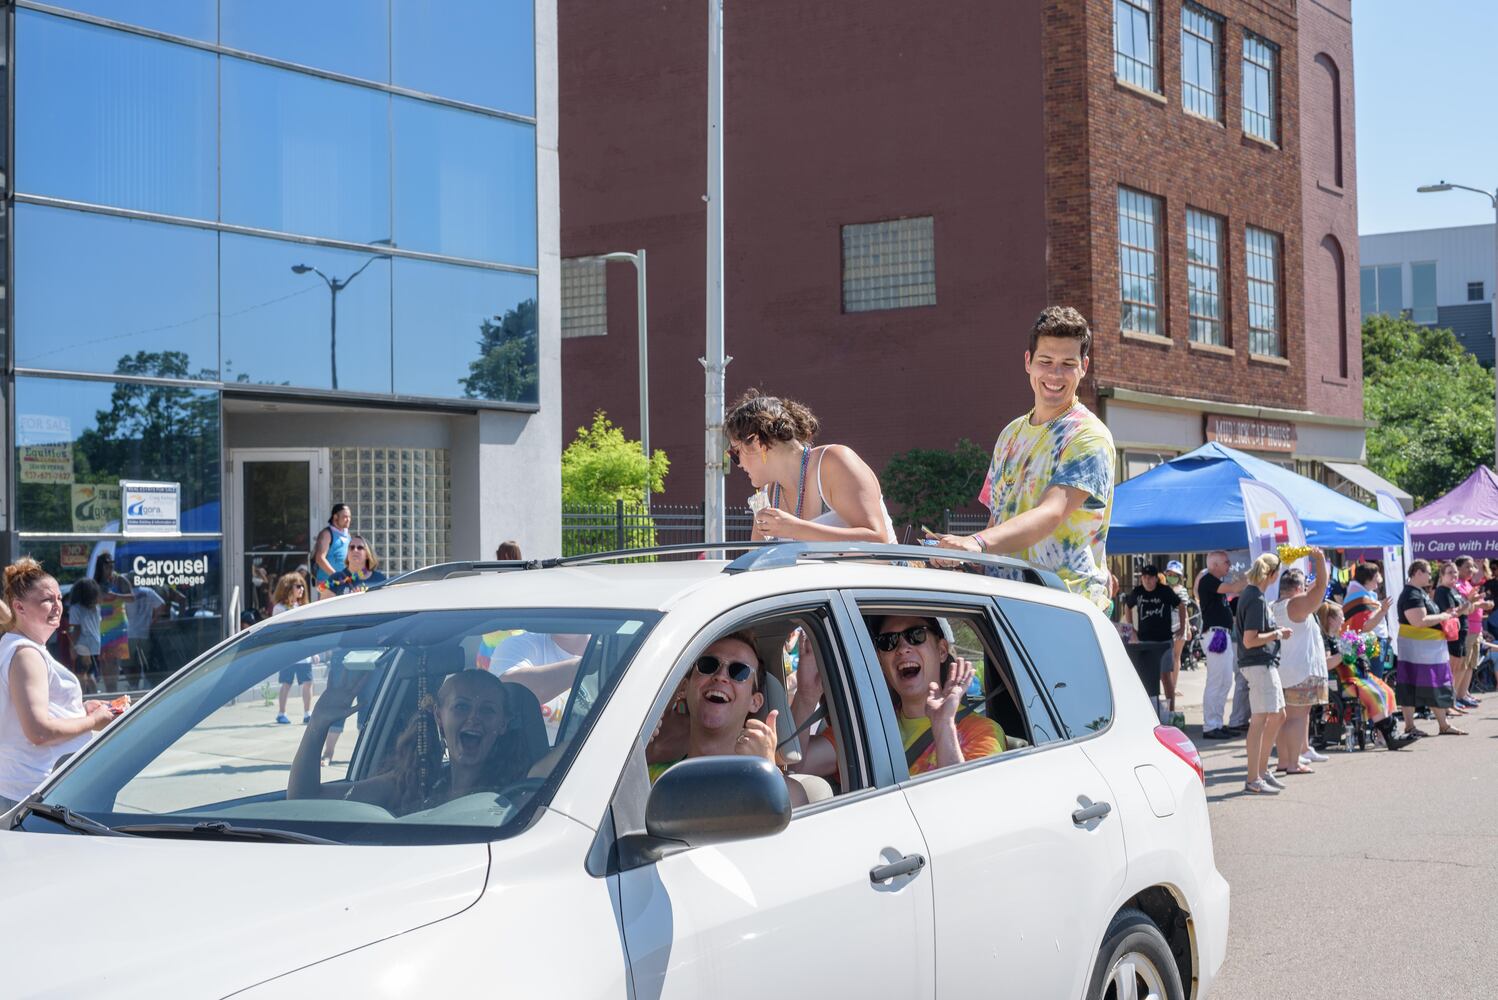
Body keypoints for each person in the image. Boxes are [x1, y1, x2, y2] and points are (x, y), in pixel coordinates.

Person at [929, 306, 1114, 609]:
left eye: (1068, 363)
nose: (1055, 374)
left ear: (1084, 366)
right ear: (1028, 362)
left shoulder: (1088, 435)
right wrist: (964, 555)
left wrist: (976, 543)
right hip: (1006, 606)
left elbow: (1051, 513)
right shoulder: (1011, 433)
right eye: (1046, 361)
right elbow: (997, 518)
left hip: (1066, 608)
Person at [290, 668, 543, 815]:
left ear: (503, 724)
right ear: (439, 716)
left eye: (487, 711)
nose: (473, 719)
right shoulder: (410, 784)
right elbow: (304, 800)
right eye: (461, 707)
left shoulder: (522, 791)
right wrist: (317, 725)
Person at [0, 558, 116, 810]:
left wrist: (79, 709)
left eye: (59, 599)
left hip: (36, 788)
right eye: (46, 600)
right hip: (40, 793)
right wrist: (94, 721)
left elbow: (33, 713)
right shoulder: (26, 654)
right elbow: (38, 731)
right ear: (19, 607)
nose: (56, 606)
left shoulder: (22, 647)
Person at [647, 633, 809, 806]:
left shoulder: (787, 792)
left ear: (754, 702)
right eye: (708, 665)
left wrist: (766, 775)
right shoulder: (653, 781)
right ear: (685, 688)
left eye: (738, 671)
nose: (721, 676)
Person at [724, 390, 896, 543]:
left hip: (884, 578)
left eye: (735, 453)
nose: (737, 464)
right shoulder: (768, 495)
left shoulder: (833, 462)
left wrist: (795, 529)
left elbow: (878, 541)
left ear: (757, 443)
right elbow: (756, 566)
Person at [870, 614, 1005, 774]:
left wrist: (943, 725)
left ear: (941, 651)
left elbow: (969, 796)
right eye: (888, 641)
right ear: (880, 660)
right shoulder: (868, 727)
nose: (902, 649)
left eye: (916, 635)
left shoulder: (981, 732)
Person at [1317, 602, 1410, 751]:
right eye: (1340, 616)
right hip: (1341, 681)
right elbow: (1327, 664)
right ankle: (1388, 736)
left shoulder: (1339, 636)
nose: (1343, 619)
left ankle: (1384, 735)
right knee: (1374, 694)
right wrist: (1344, 653)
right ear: (1330, 620)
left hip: (1355, 675)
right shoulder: (1325, 640)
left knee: (1386, 690)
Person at [1236, 553, 1292, 795]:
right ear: (1272, 574)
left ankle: (1261, 770)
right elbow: (1250, 640)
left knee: (1278, 715)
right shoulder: (1255, 598)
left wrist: (1275, 631)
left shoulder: (1255, 596)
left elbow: (1253, 635)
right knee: (1260, 719)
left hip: (1263, 662)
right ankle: (1253, 778)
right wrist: (1277, 634)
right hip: (1258, 663)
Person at [1269, 555, 1330, 776]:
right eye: (1304, 586)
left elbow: (1316, 587)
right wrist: (1320, 561)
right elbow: (1321, 586)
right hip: (1300, 671)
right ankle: (1293, 763)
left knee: (1283, 718)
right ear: (1298, 588)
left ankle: (1284, 761)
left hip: (1281, 669)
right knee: (1297, 718)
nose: (1307, 589)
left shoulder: (1274, 606)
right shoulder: (1296, 604)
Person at [1395, 560, 1464, 738]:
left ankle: (1444, 725)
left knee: (1433, 685)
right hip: (1417, 651)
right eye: (1427, 573)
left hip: (1426, 651)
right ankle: (1410, 726)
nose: (1430, 577)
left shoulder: (1419, 592)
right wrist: (1443, 616)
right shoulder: (1411, 594)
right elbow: (1418, 621)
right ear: (1417, 572)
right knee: (1410, 685)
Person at [487, 630, 592, 744]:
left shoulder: (612, 650)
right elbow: (512, 694)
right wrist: (587, 663)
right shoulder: (519, 645)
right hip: (532, 760)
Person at [1126, 565, 1185, 722]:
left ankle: (1171, 711)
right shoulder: (1138, 592)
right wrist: (1132, 628)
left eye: (1150, 577)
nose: (1147, 580)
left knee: (1166, 676)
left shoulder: (1164, 591)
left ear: (1155, 578)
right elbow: (1127, 605)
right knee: (1145, 677)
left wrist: (1183, 627)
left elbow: (1181, 605)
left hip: (1164, 640)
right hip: (1145, 641)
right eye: (1144, 577)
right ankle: (1146, 710)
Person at [1198, 551, 1245, 739]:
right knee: (1216, 681)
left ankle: (1216, 722)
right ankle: (1210, 725)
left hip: (1221, 634)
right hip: (1215, 634)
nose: (1229, 565)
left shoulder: (1215, 582)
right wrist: (1251, 576)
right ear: (1214, 565)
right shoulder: (1208, 579)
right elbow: (1233, 587)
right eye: (1226, 562)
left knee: (1225, 681)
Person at [270, 572, 313, 724]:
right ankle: (281, 713)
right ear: (288, 588)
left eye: (302, 586)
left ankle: (308, 713)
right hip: (288, 653)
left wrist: (313, 650)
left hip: (303, 653)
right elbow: (278, 631)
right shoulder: (279, 608)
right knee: (286, 684)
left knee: (307, 683)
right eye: (298, 586)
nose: (301, 589)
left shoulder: (303, 607)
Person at [1453, 556, 1492, 708]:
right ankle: (1457, 695)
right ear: (1458, 568)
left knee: (1471, 664)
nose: (1471, 570)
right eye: (1467, 567)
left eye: (1472, 567)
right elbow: (1465, 605)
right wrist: (1480, 604)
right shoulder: (1457, 585)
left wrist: (1483, 603)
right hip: (1466, 628)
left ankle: (1464, 693)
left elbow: (1473, 602)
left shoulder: (1467, 583)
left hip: (1476, 628)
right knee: (1463, 664)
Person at [124, 582, 166, 688]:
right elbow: (162, 605)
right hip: (144, 632)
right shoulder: (148, 592)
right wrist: (153, 620)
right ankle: (147, 685)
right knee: (145, 661)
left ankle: (134, 686)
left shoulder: (125, 593)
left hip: (129, 633)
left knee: (129, 663)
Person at [65, 576, 102, 695]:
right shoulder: (96, 608)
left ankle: (82, 697)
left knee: (81, 674)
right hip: (95, 643)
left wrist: (72, 646)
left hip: (82, 644)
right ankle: (95, 694)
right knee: (90, 673)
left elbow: (76, 629)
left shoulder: (76, 609)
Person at [312, 503, 353, 596]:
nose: (348, 520)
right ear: (335, 517)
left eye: (349, 517)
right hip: (326, 582)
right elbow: (319, 558)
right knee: (327, 609)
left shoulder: (347, 534)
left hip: (343, 581)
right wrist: (337, 576)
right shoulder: (327, 533)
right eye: (345, 517)